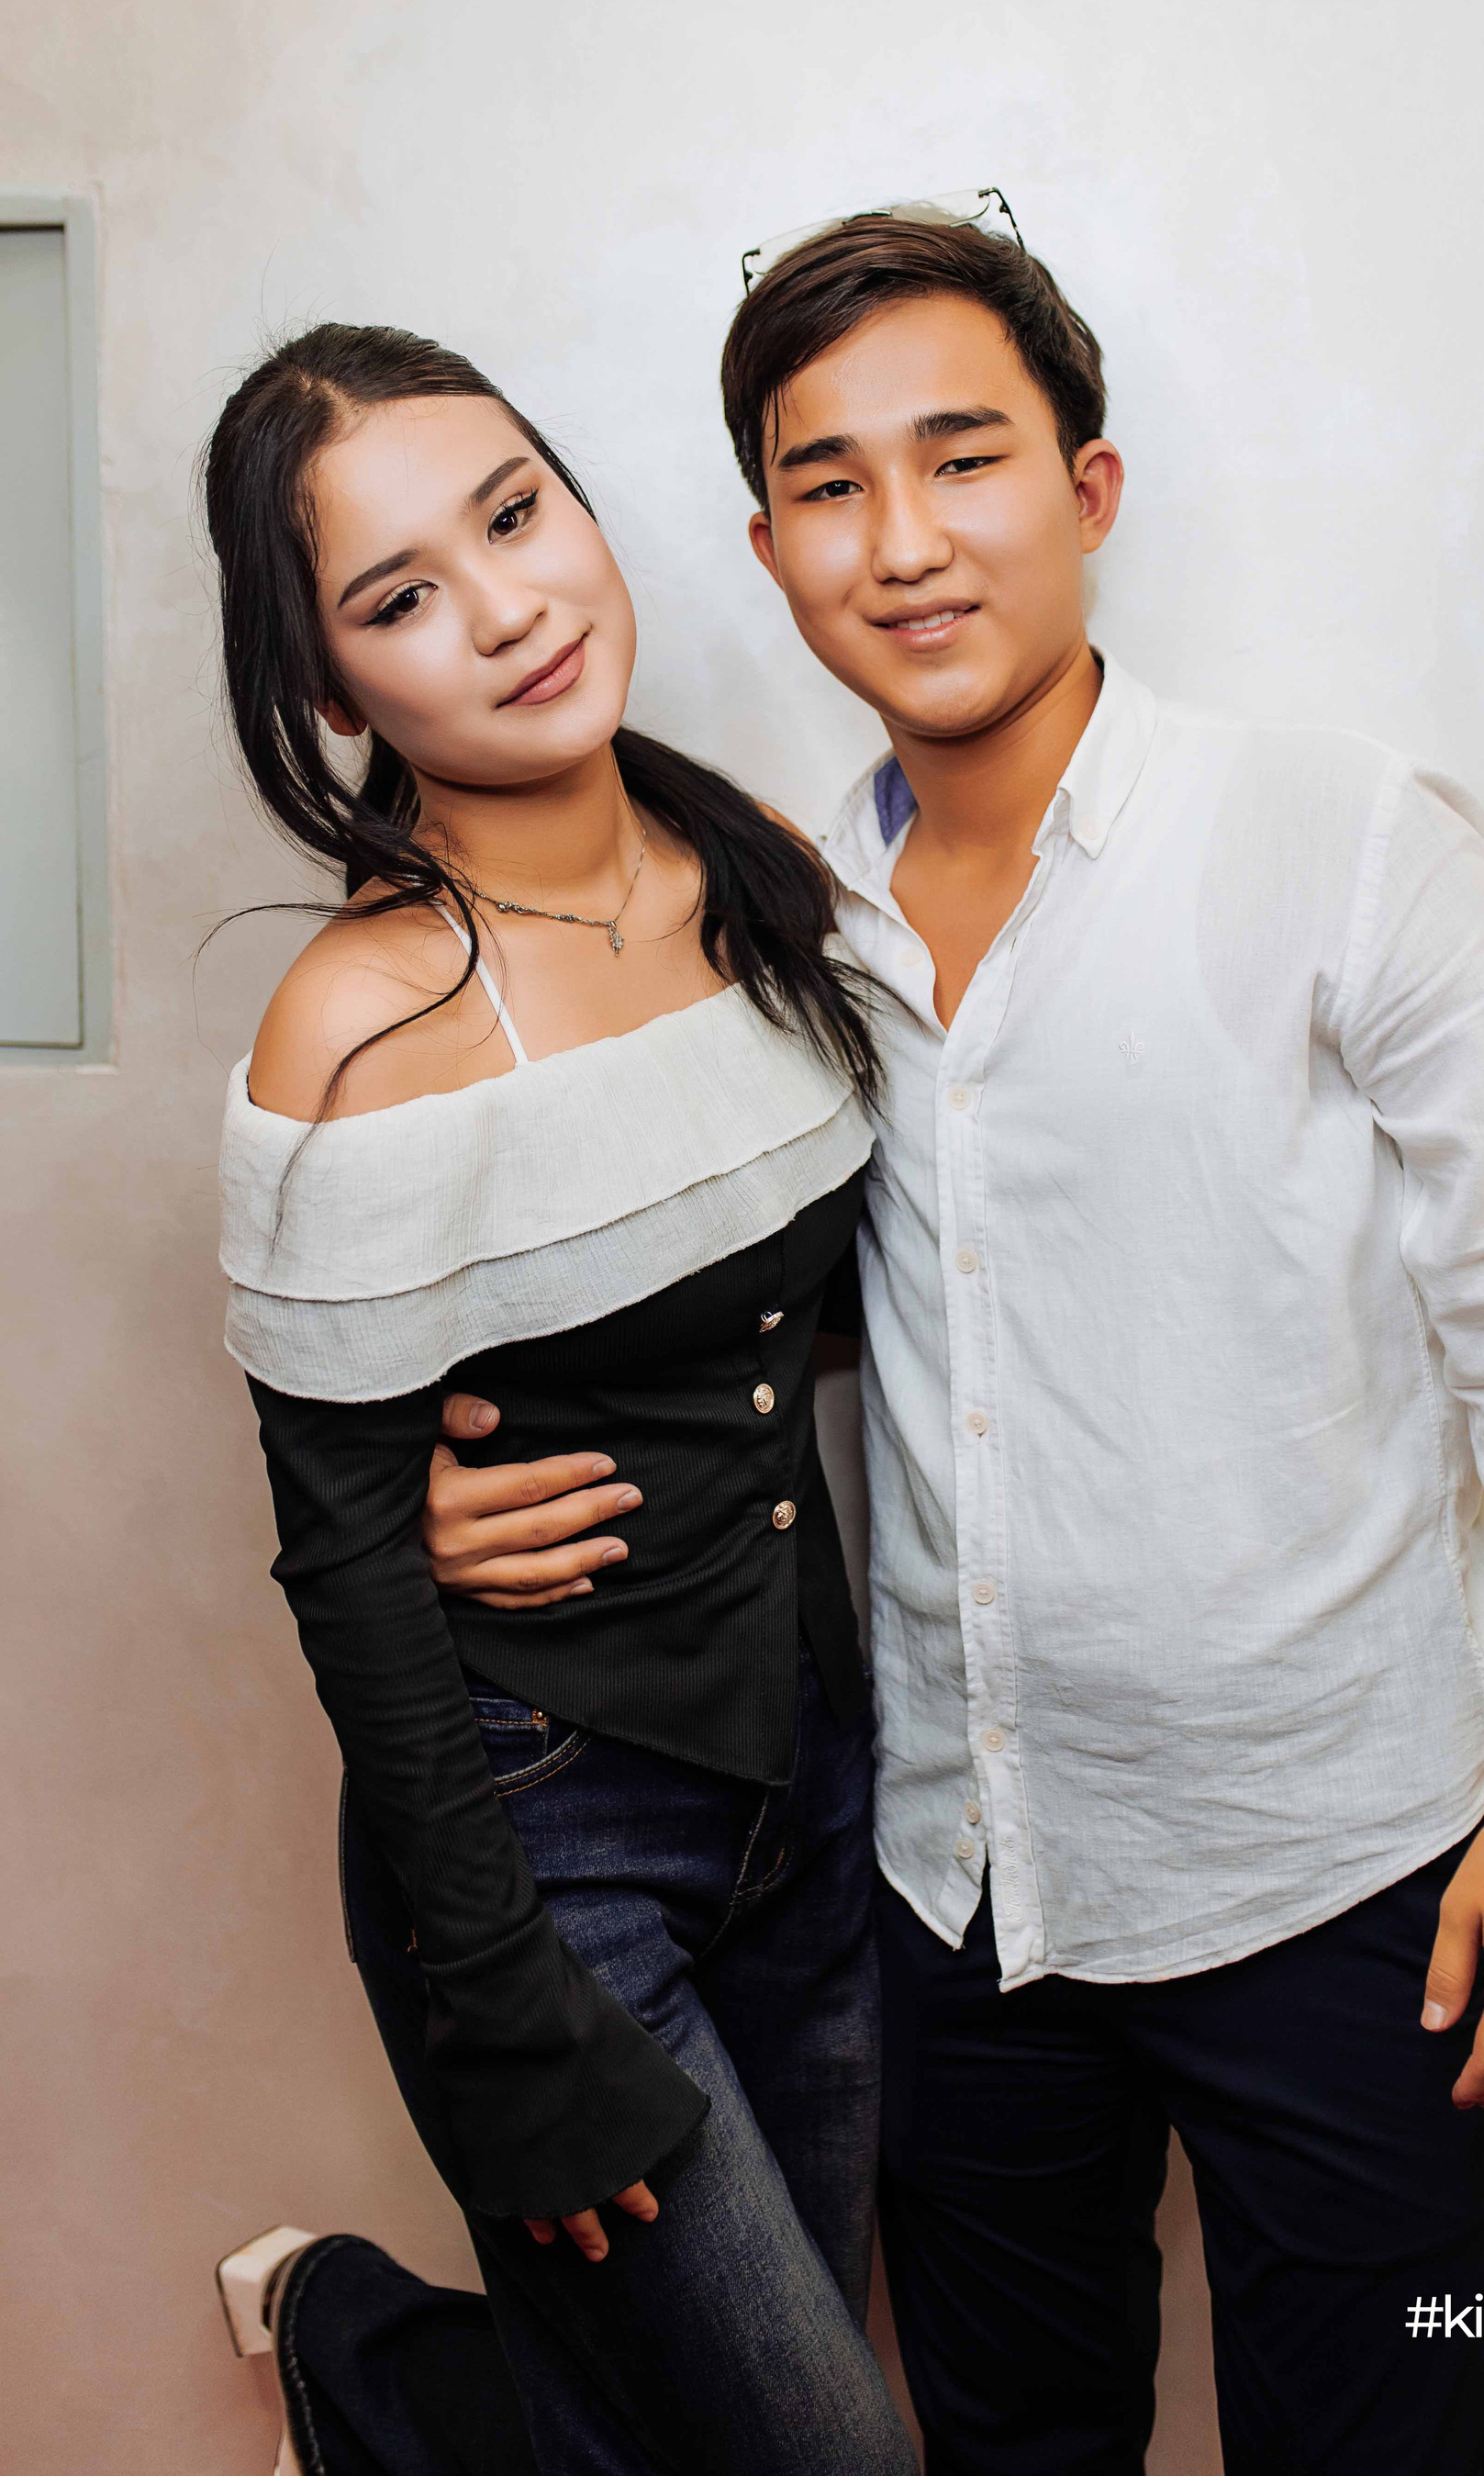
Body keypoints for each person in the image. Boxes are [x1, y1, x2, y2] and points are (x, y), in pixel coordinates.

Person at [431, 212, 1484, 2473]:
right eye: (831, 485)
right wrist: (459, 1481)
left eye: (965, 459)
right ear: (769, 548)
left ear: (1088, 489)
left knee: (1394, 2426)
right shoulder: (783, 931)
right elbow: (728, 1309)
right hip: (962, 1884)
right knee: (1012, 2443)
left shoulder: (1342, 840)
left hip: (1362, 1875)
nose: (905, 540)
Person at [206, 321, 917, 2476]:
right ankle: (365, 2355)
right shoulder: (356, 1022)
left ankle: (368, 2367)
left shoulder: (759, 870)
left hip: (819, 1776)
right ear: (333, 690)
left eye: (516, 515)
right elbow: (345, 1580)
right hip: (548, 1840)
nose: (508, 608)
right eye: (401, 594)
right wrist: (506, 2010)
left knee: (675, 2428)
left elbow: (811, 1304)